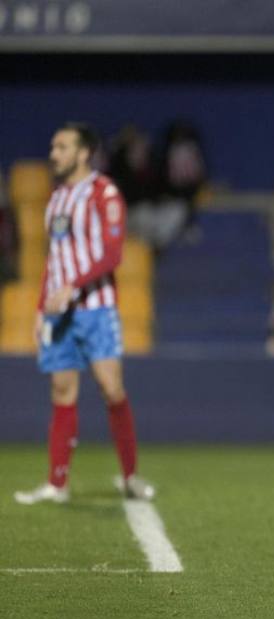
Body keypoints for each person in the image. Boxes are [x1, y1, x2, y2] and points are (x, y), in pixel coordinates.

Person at [14, 123, 154, 505]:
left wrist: (72, 288)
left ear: (83, 153)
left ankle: (131, 477)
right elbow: (53, 260)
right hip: (58, 315)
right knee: (61, 391)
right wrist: (42, 307)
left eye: (61, 146)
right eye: (52, 146)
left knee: (111, 389)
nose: (53, 153)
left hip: (96, 309)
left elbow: (112, 254)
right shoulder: (57, 198)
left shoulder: (103, 193)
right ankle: (57, 484)